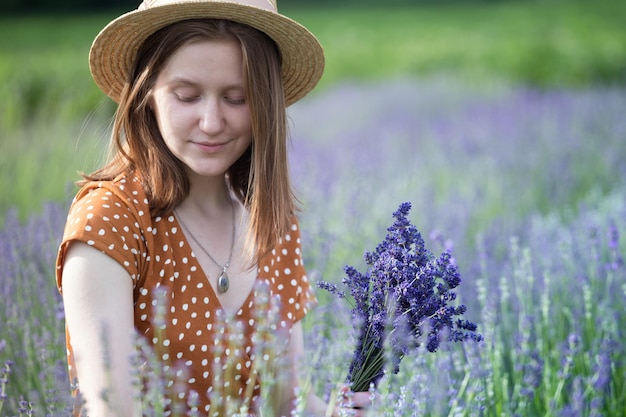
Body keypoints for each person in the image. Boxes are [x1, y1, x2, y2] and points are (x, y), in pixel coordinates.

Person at [55, 0, 372, 416]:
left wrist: (342, 412)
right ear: (147, 94)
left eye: (236, 98)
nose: (211, 122)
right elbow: (111, 409)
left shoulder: (270, 221)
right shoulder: (112, 222)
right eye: (187, 96)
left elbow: (286, 401)